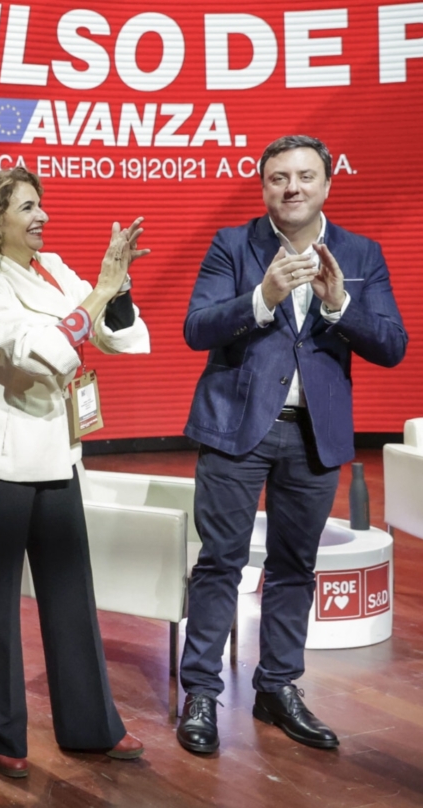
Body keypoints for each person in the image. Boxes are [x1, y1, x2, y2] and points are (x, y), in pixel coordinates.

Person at [177, 135, 408, 755]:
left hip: (314, 434)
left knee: (294, 568)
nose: (293, 187)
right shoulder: (233, 244)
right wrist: (263, 297)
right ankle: (200, 690)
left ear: (327, 184)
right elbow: (196, 328)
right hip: (235, 429)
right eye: (279, 177)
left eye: (306, 176)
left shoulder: (362, 253)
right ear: (264, 188)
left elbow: (392, 345)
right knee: (220, 562)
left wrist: (340, 307)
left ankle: (277, 686)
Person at [0, 167, 149, 778]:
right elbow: (42, 354)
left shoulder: (55, 267)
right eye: (28, 208)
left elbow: (118, 340)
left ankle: (91, 726)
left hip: (59, 452)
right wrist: (97, 294)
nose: (43, 218)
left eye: (42, 206)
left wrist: (119, 289)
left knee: (70, 594)